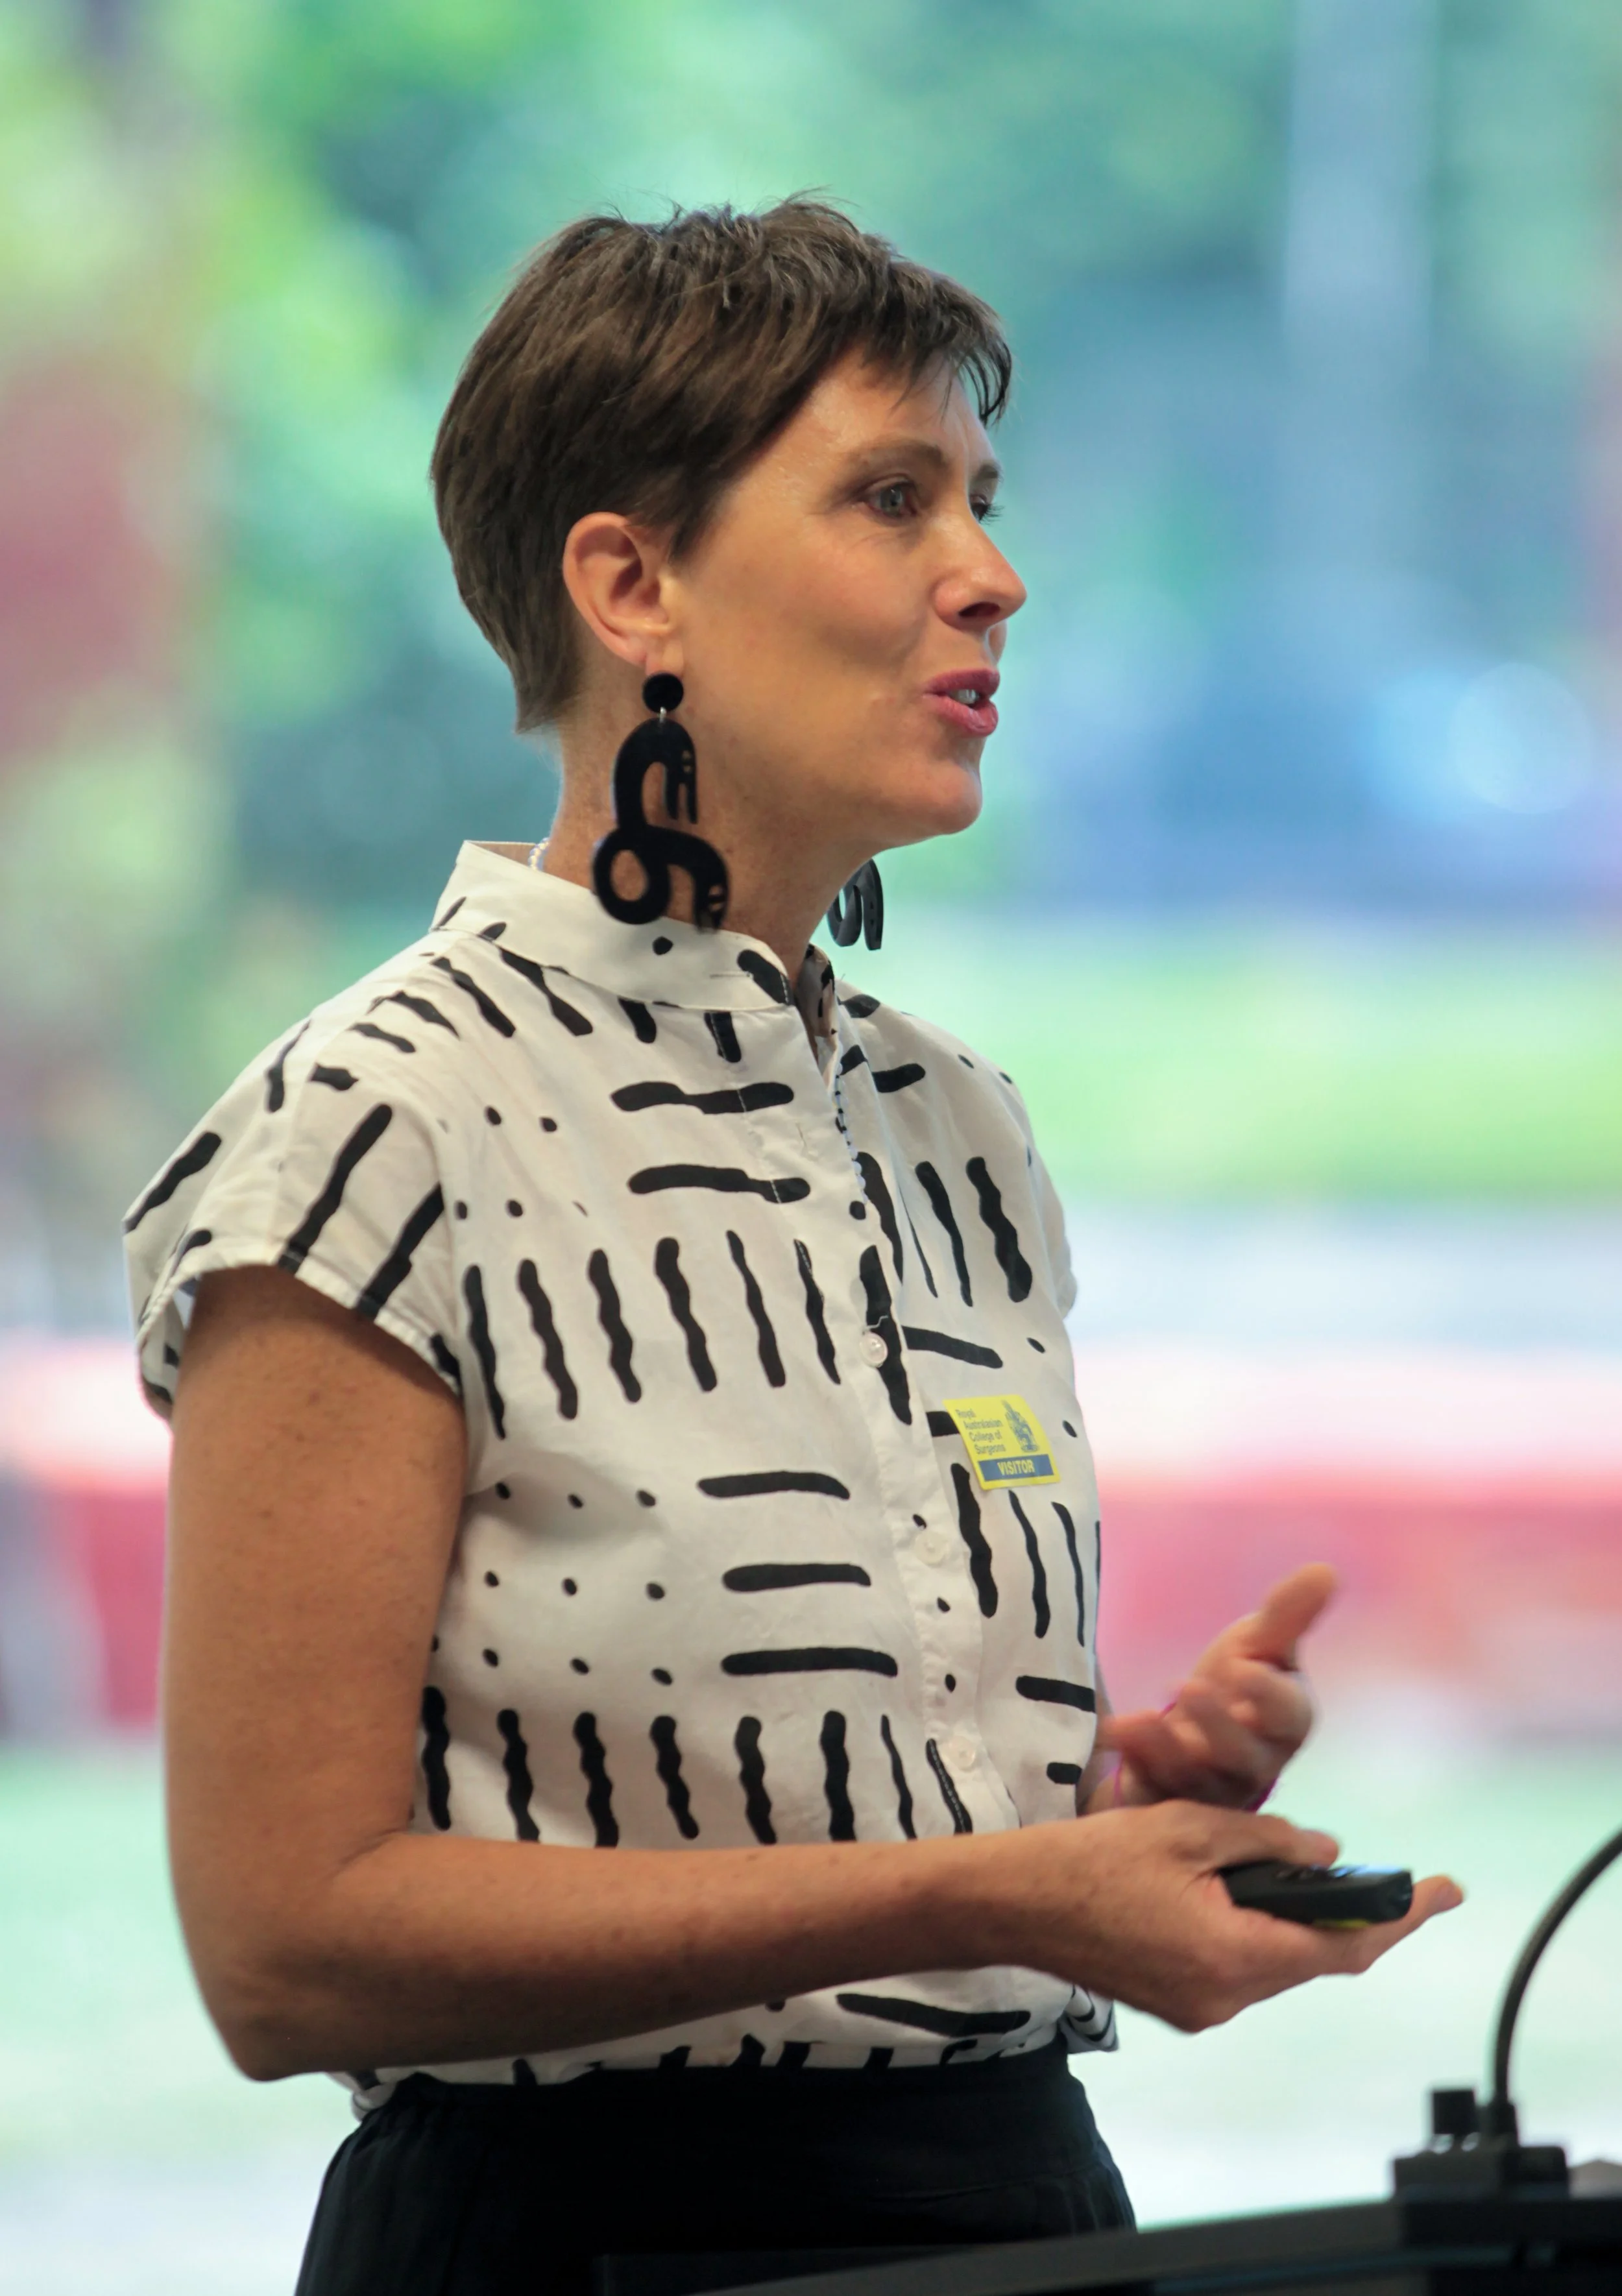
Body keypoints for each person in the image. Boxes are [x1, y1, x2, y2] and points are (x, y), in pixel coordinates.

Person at [124, 201, 1460, 2296]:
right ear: (629, 583)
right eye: (888, 497)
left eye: (983, 503)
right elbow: (288, 1950)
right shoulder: (377, 1123)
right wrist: (993, 1885)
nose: (993, 577)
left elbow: (740, 1778)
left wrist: (1100, 1791)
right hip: (590, 2247)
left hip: (1018, 2207)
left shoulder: (957, 1121)